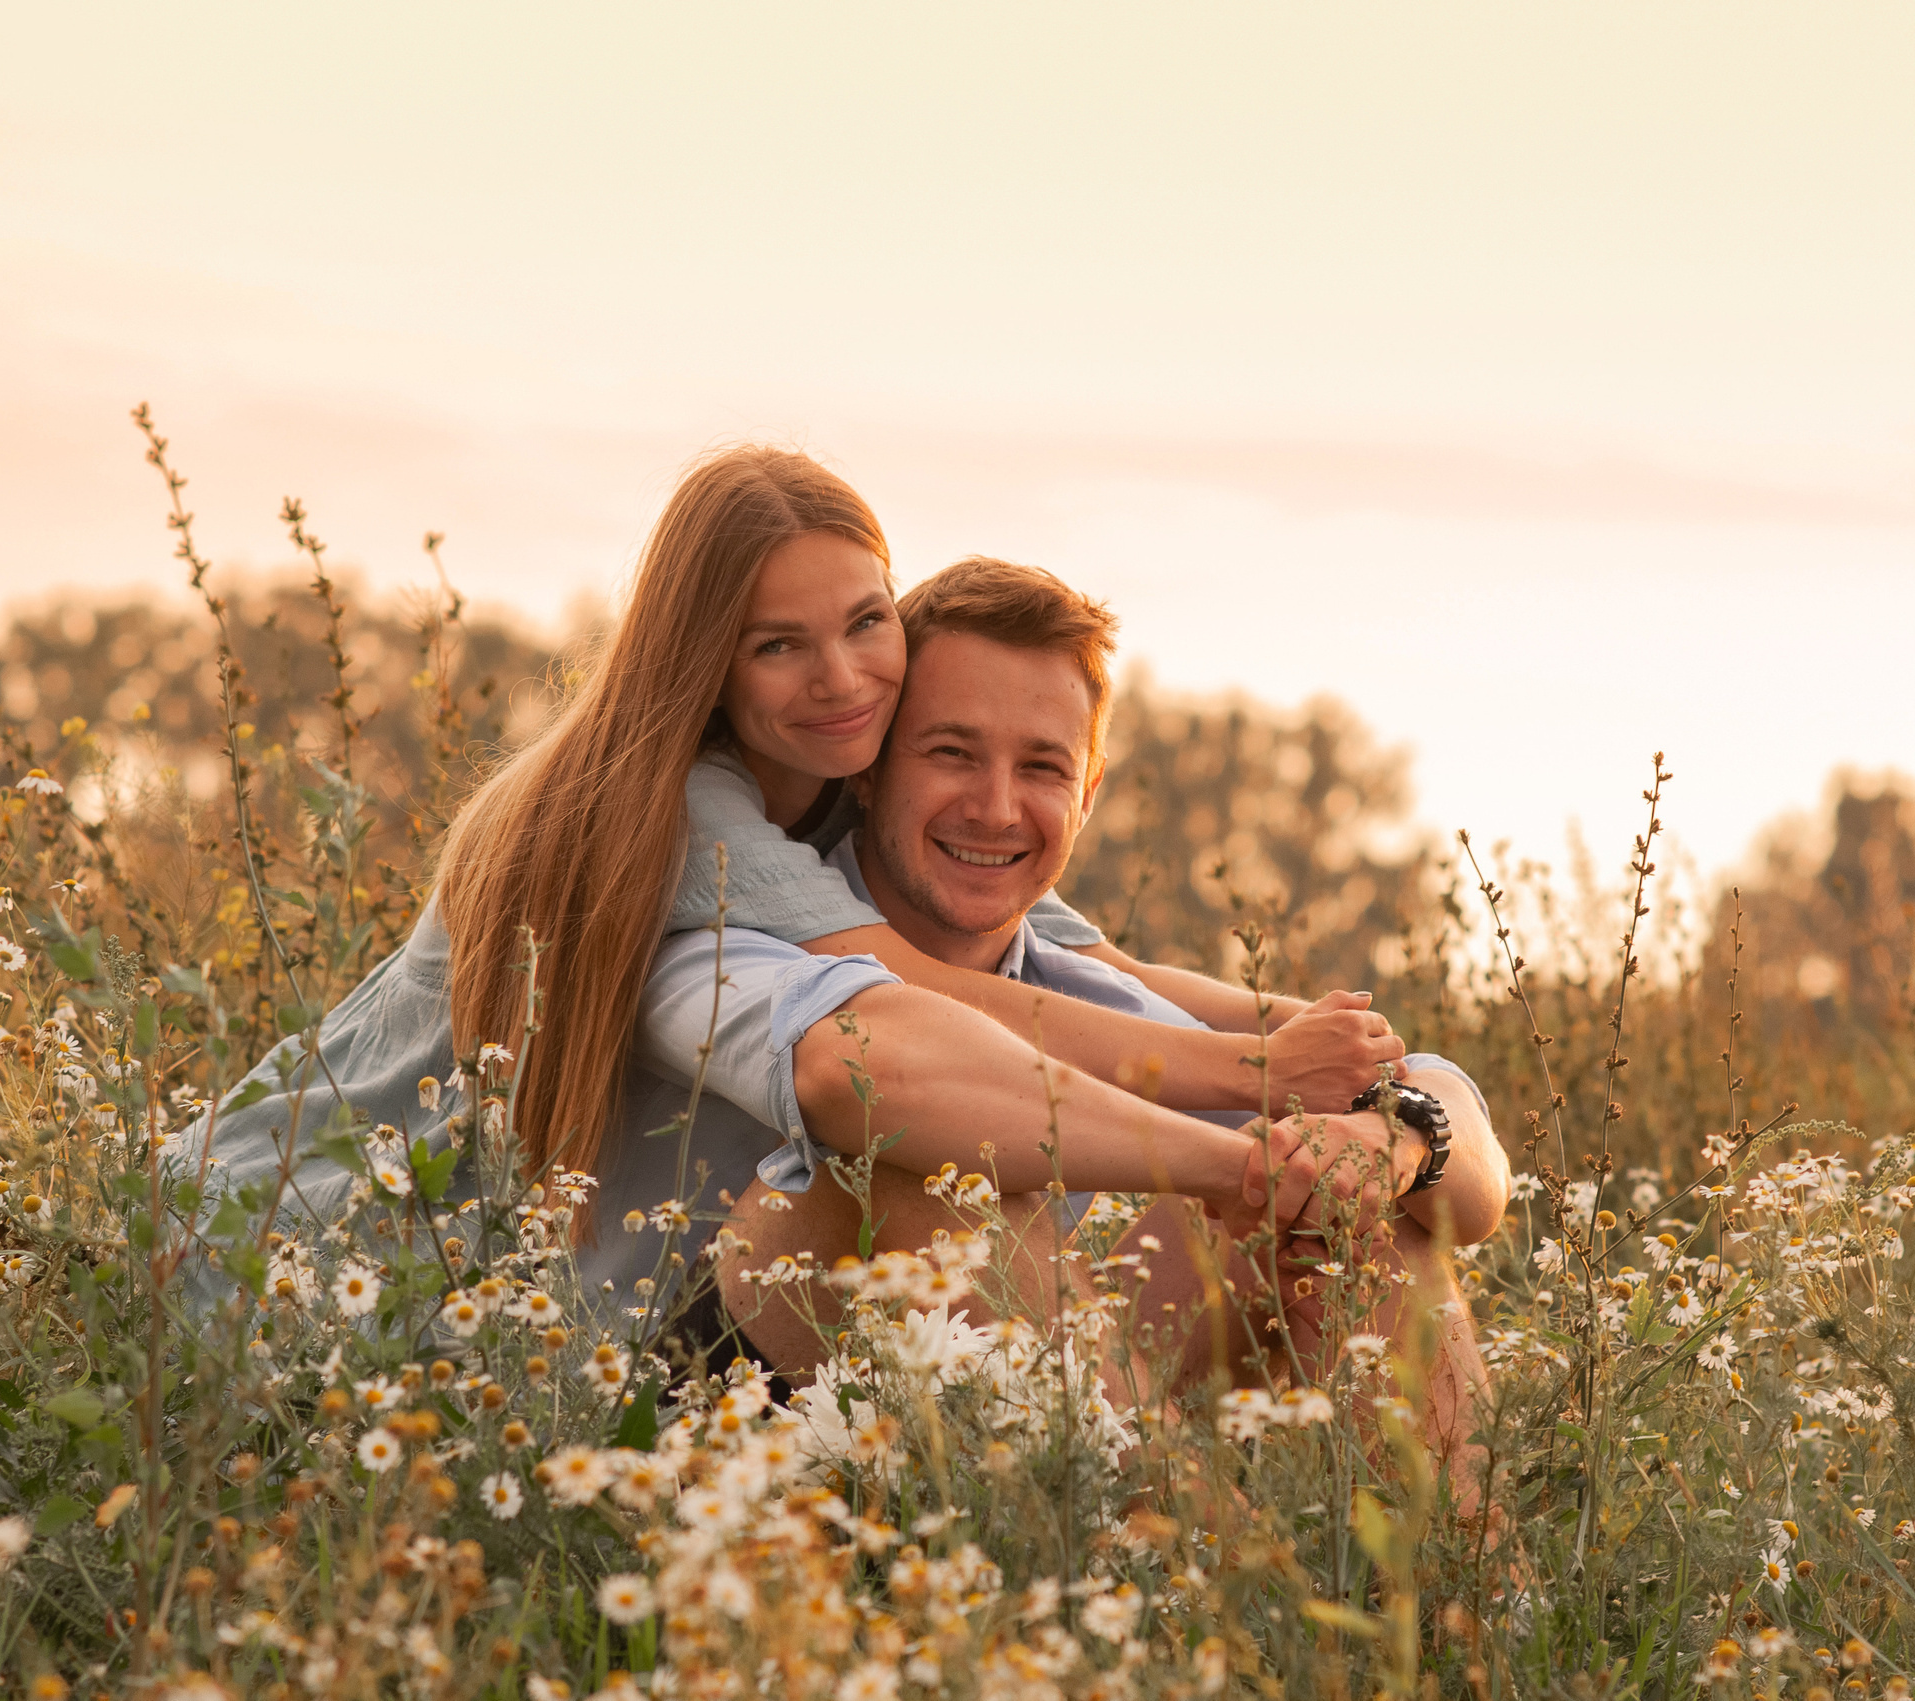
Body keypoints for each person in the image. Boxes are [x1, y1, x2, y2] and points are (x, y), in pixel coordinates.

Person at [630, 557, 1507, 1459]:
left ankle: (1465, 1589)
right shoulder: (744, 929)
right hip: (698, 1438)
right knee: (917, 1169)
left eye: (1043, 768)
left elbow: (1440, 1106)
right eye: (951, 753)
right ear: (864, 769)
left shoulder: (1083, 985)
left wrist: (1395, 1145)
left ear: (1087, 797)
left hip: (1005, 1447)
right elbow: (874, 1060)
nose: (996, 807)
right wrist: (1248, 1160)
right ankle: (1192, 1572)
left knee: (1341, 1201)